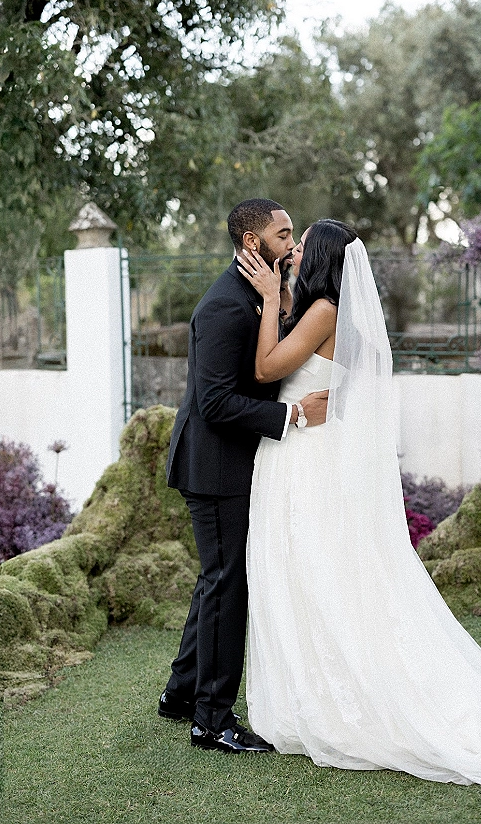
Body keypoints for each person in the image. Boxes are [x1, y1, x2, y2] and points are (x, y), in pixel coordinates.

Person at [237, 219, 481, 807]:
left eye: (300, 244)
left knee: (309, 577)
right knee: (302, 578)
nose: (290, 251)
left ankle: (331, 701)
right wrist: (281, 302)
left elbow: (268, 370)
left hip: (304, 462)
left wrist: (269, 300)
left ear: (318, 257)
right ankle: (310, 691)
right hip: (297, 453)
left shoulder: (323, 309)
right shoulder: (320, 309)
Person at [158, 198, 328, 754]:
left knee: (217, 578)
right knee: (228, 584)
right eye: (283, 236)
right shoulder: (224, 306)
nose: (292, 244)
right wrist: (293, 415)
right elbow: (213, 403)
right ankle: (212, 720)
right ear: (253, 243)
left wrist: (276, 302)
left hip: (231, 462)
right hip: (214, 467)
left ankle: (182, 694)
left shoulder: (261, 294)